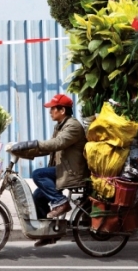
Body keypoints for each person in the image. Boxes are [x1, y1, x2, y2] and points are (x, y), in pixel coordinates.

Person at [8, 94, 88, 247]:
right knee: (37, 197)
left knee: (38, 174)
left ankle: (61, 202)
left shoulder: (73, 126)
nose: (50, 112)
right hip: (64, 169)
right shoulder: (61, 125)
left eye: (53, 109)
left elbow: (56, 143)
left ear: (62, 110)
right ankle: (49, 233)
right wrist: (22, 151)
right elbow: (48, 149)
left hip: (73, 172)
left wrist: (31, 143)